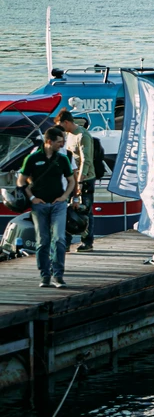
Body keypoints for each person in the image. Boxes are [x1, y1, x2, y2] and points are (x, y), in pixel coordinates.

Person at [18, 127, 75, 288]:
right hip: (39, 206)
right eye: (59, 141)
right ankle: (45, 275)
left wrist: (65, 197)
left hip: (58, 204)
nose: (62, 144)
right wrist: (32, 198)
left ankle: (58, 275)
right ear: (49, 141)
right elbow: (21, 181)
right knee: (43, 241)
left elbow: (72, 180)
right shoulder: (32, 158)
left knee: (59, 239)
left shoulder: (62, 159)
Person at [54, 110, 96, 252]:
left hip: (85, 178)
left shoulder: (82, 135)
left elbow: (86, 160)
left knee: (85, 210)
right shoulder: (68, 136)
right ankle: (66, 241)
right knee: (67, 209)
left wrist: (80, 181)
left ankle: (87, 241)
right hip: (72, 177)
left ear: (66, 122)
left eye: (61, 125)